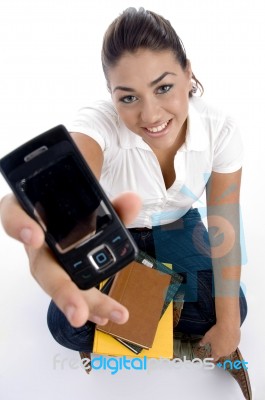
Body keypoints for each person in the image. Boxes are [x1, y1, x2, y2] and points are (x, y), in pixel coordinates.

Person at [0, 7, 247, 363]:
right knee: (67, 325)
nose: (150, 116)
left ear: (187, 73)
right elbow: (79, 155)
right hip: (116, 233)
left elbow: (226, 225)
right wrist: (41, 205)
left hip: (178, 225)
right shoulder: (98, 123)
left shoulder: (220, 130)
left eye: (164, 87)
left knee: (233, 309)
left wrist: (229, 326)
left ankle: (130, 325)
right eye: (128, 97)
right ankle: (152, 318)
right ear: (111, 93)